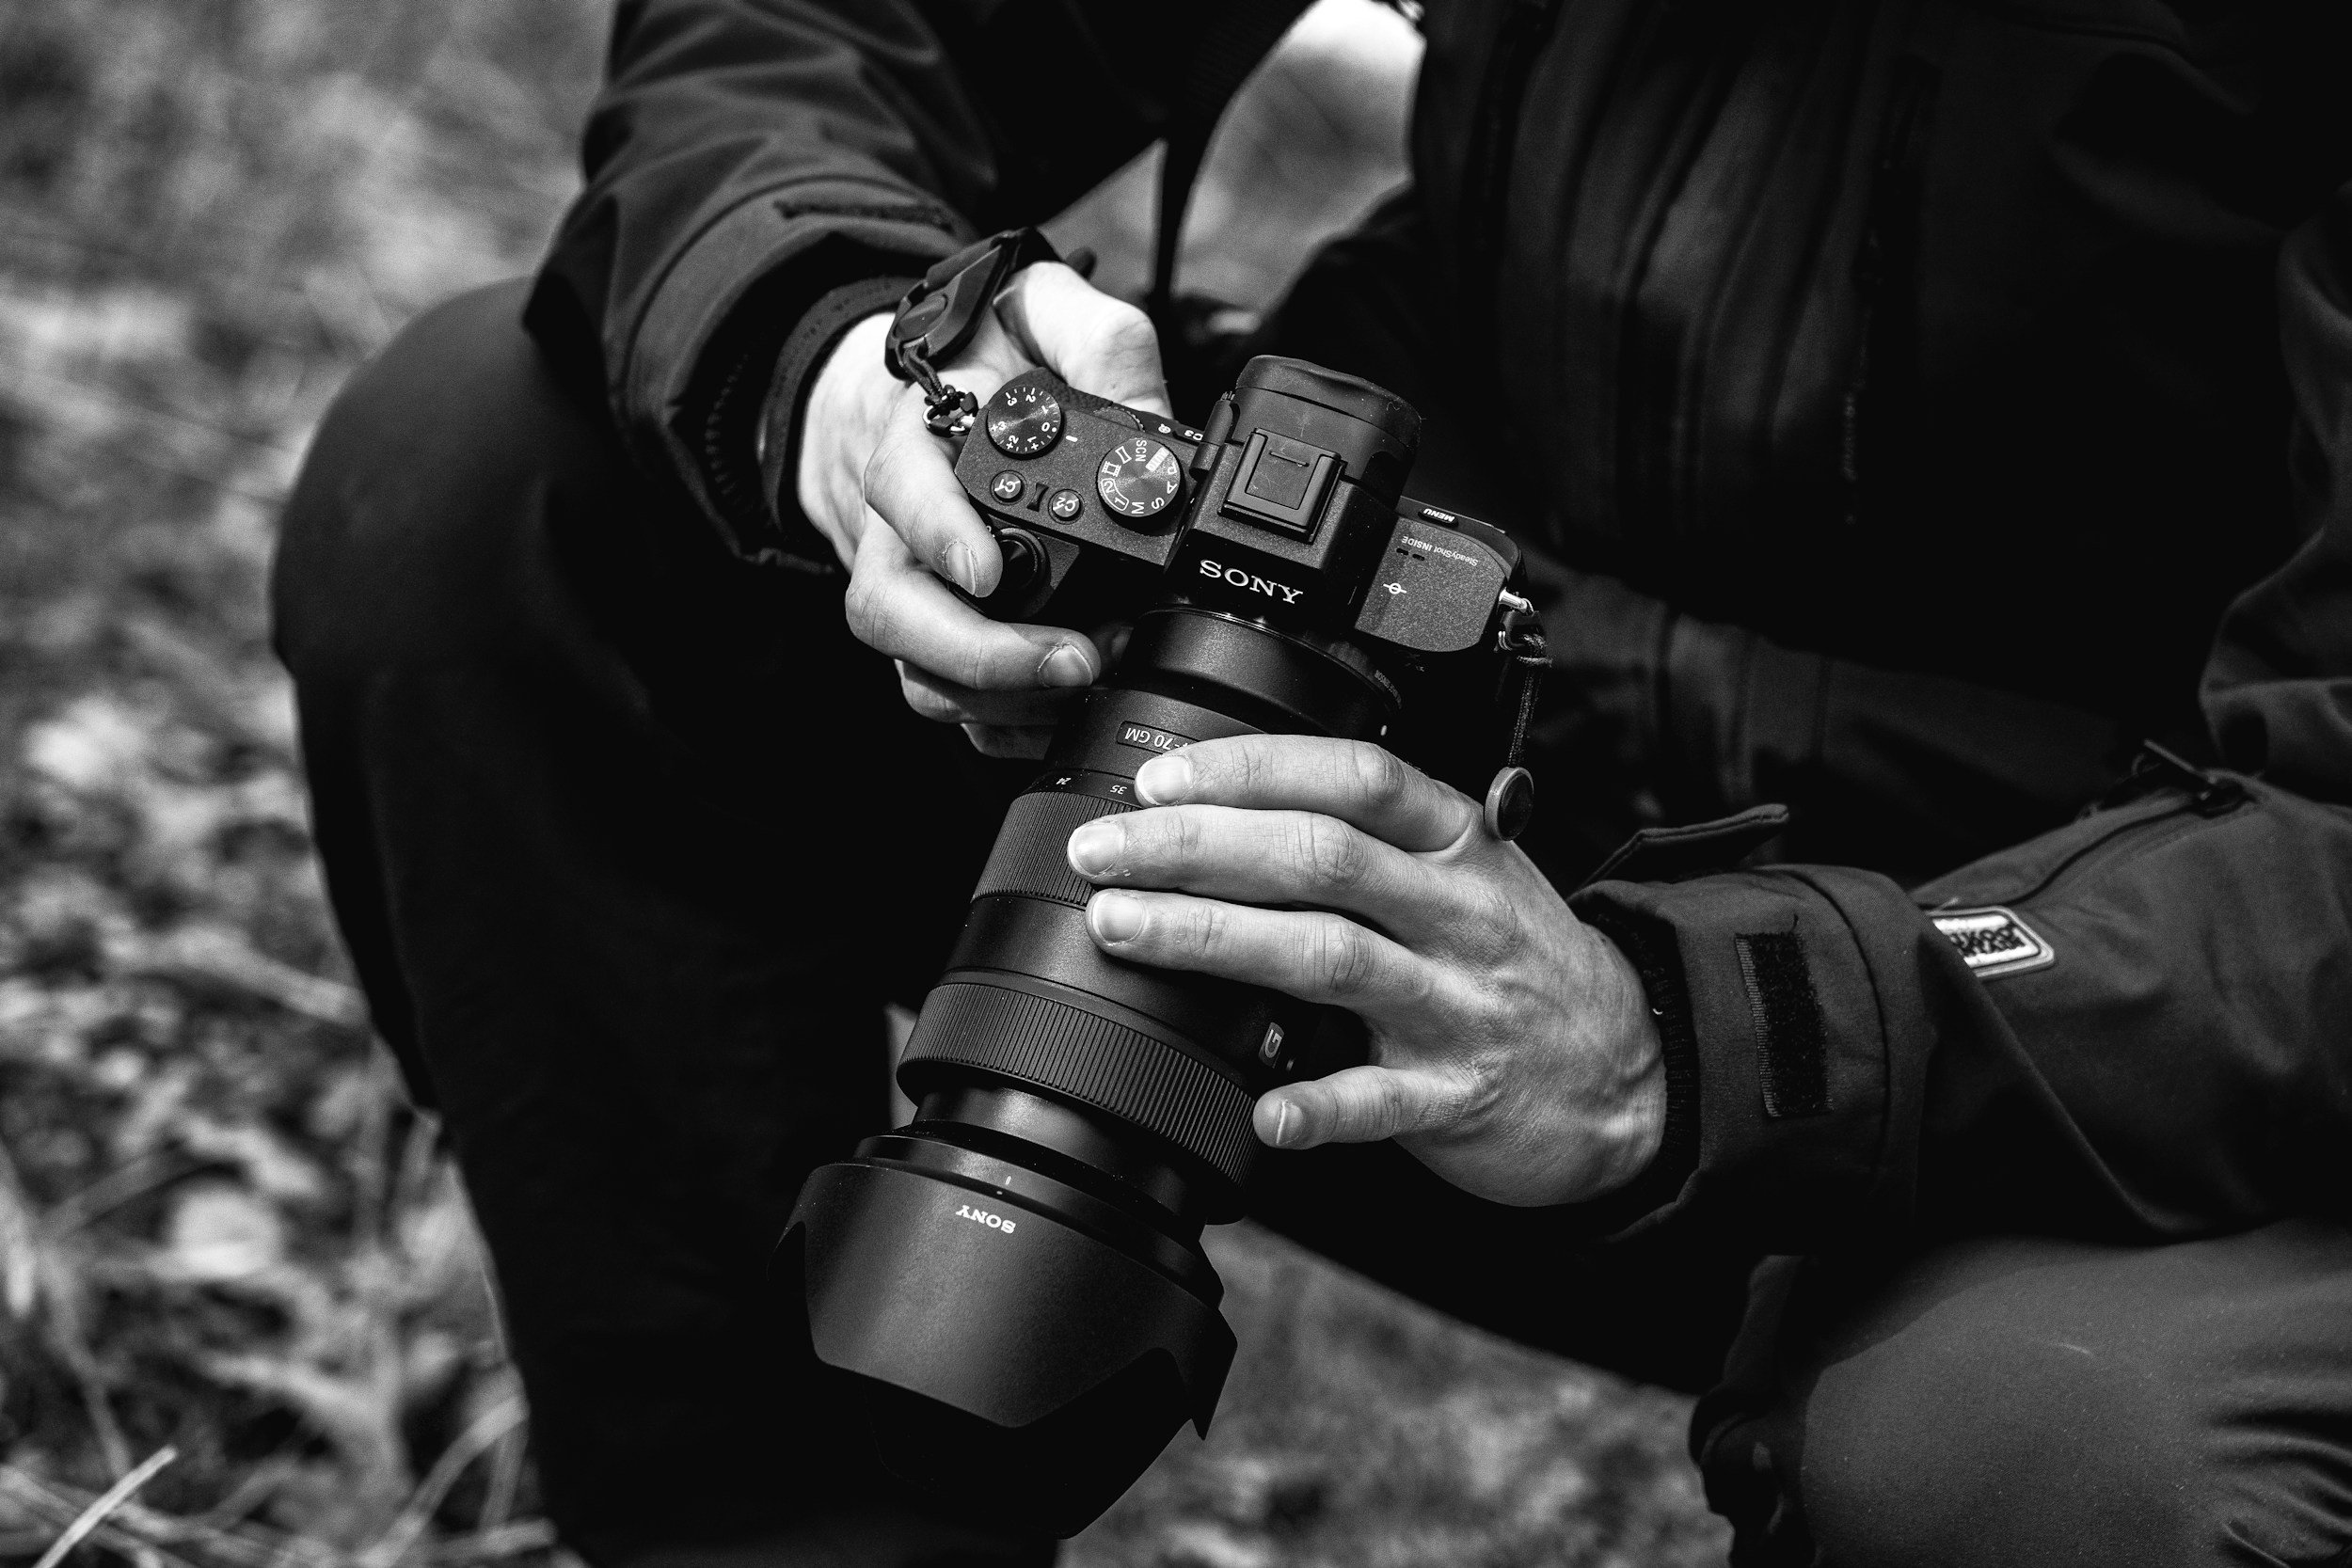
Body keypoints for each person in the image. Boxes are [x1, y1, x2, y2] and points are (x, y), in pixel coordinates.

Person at [271, 0, 2352, 1562]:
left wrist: (1682, 1042)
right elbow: (827, 29)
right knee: (490, 491)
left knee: (2055, 1459)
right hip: (1466, 742)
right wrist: (839, 360)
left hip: (2100, 1007)